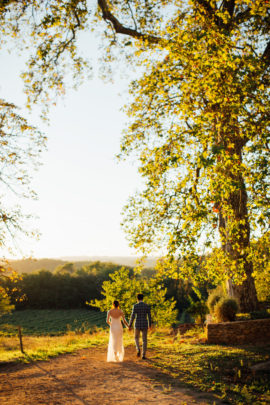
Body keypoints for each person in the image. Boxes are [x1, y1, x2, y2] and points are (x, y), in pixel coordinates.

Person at [129, 293, 151, 360]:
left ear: (137, 298)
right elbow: (149, 316)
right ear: (143, 298)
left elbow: (132, 316)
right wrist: (150, 325)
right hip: (144, 323)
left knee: (136, 338)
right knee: (144, 340)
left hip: (137, 323)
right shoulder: (146, 306)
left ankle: (138, 349)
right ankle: (143, 355)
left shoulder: (135, 306)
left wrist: (130, 325)